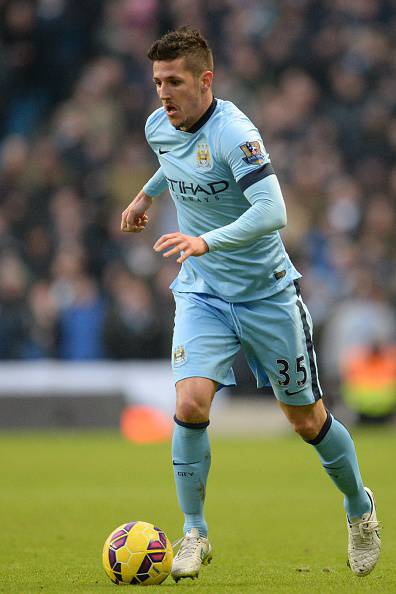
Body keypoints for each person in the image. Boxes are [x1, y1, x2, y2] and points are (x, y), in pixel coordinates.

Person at [121, 26, 380, 582]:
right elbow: (175, 160)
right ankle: (194, 531)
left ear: (205, 80)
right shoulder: (158, 125)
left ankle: (359, 508)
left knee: (306, 419)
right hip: (203, 291)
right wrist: (146, 195)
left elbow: (272, 211)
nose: (163, 94)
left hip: (266, 294)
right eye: (157, 82)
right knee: (190, 404)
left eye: (174, 82)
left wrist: (204, 240)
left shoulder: (237, 133)